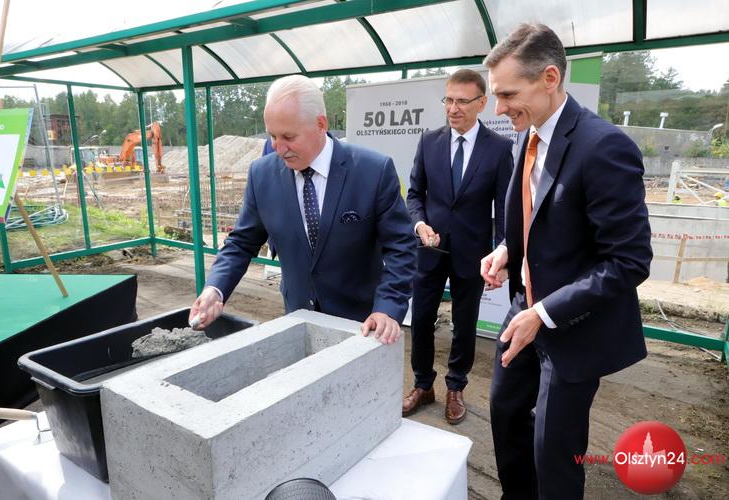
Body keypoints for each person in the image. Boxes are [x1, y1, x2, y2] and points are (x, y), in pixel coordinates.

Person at [480, 23, 652, 499]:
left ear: (550, 78)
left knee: (553, 451)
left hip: (573, 326)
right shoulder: (527, 136)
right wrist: (507, 249)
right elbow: (538, 219)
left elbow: (629, 261)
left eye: (508, 94)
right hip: (525, 311)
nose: (498, 109)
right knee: (505, 414)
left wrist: (545, 312)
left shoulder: (604, 147)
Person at [190, 75, 416, 344]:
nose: (279, 148)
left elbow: (401, 247)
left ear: (320, 124)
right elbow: (241, 243)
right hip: (298, 319)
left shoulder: (373, 171)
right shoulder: (262, 175)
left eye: (288, 137)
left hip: (362, 326)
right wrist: (215, 289)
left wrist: (387, 308)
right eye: (273, 136)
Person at [403, 69, 513, 424]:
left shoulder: (499, 149)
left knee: (464, 325)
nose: (453, 108)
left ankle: (455, 387)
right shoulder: (428, 141)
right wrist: (419, 224)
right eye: (448, 100)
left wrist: (502, 254)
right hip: (429, 251)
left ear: (482, 103)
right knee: (421, 320)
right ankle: (423, 384)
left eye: (462, 101)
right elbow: (414, 195)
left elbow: (505, 209)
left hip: (472, 254)